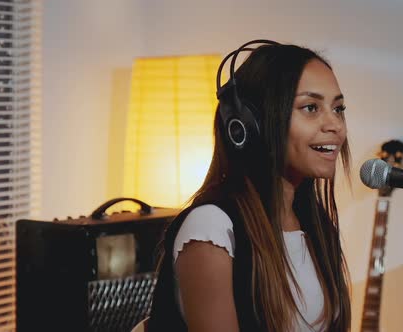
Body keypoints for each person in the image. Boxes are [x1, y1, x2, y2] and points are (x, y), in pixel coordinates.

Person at [147, 40, 352, 332]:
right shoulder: (212, 229)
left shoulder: (316, 225)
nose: (336, 125)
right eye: (311, 107)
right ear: (249, 125)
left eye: (338, 109)